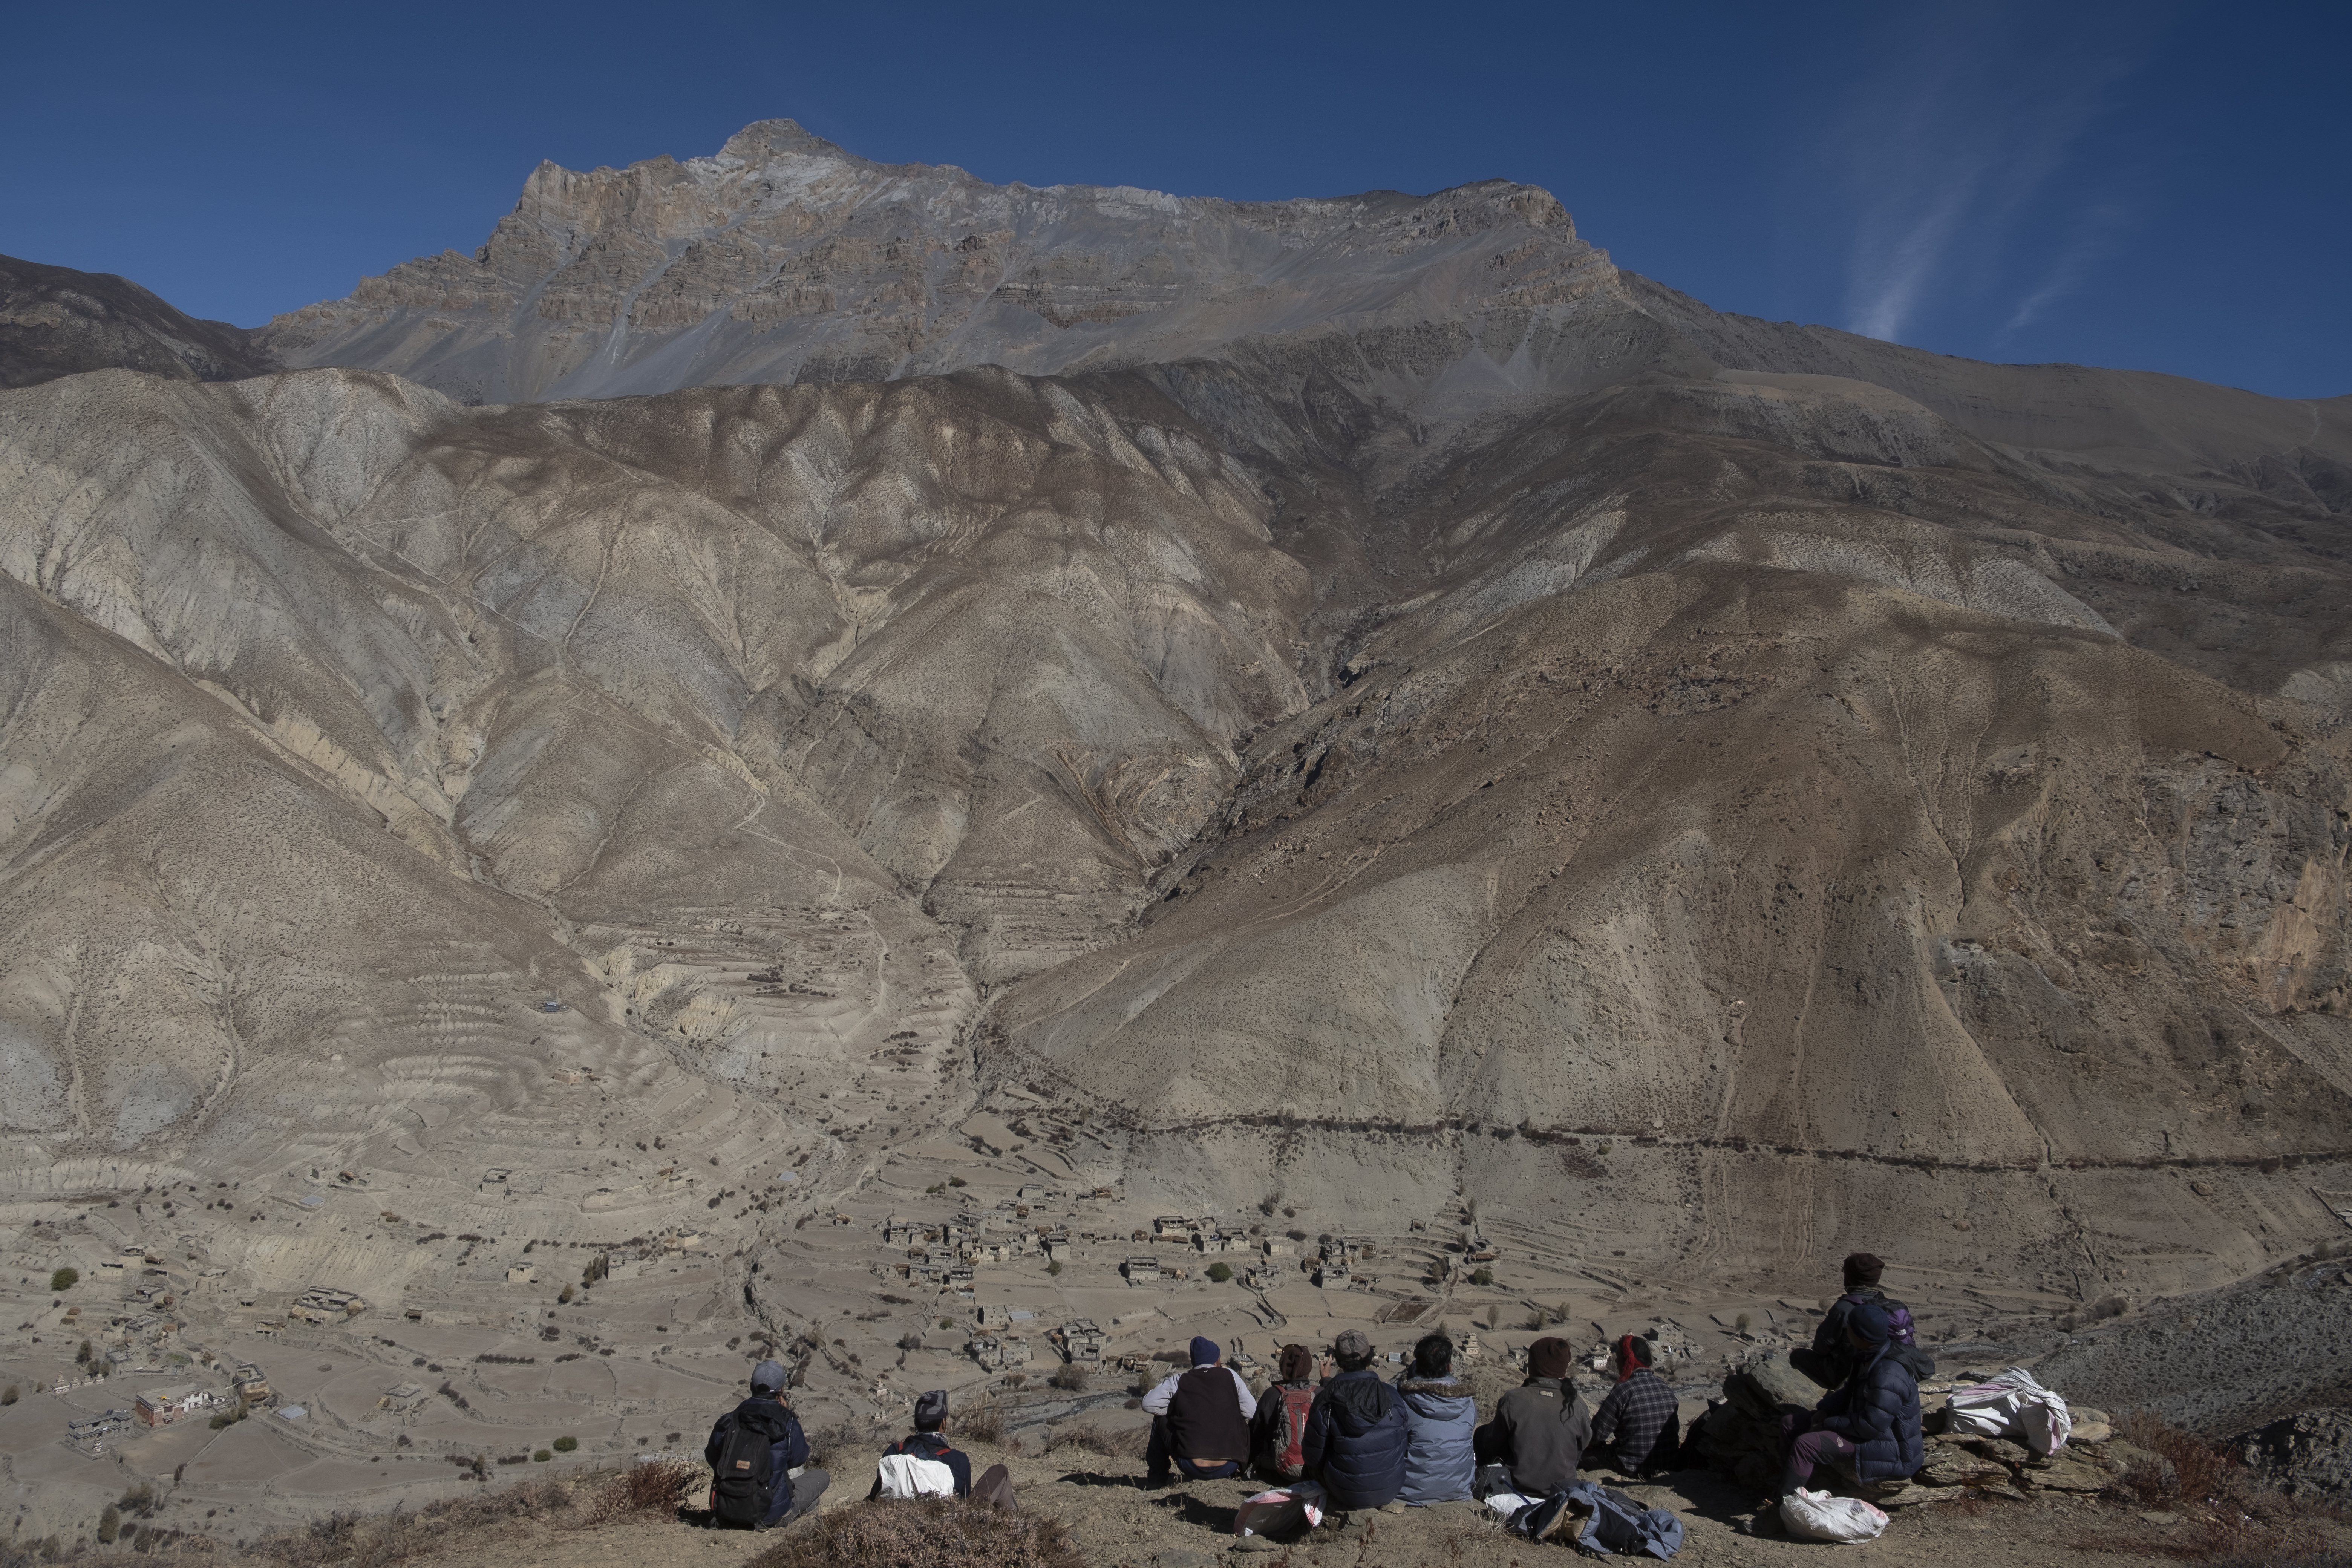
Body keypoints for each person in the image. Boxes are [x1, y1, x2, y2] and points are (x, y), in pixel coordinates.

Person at [1774, 1303, 1923, 1515]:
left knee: (1806, 1445)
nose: (1846, 1332)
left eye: (1850, 1328)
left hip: (1890, 1448)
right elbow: (1851, 1390)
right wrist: (1826, 1409)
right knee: (1789, 1424)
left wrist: (1826, 1424)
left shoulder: (1888, 1373)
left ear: (1861, 1335)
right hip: (1868, 1430)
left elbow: (1871, 1425)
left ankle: (1784, 1510)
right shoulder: (1868, 1354)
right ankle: (1795, 1492)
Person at [704, 1360, 829, 1530]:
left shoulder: (729, 1420)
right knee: (821, 1477)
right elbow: (799, 1459)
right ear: (782, 1390)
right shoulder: (787, 1423)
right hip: (768, 1513)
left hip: (727, 1509)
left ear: (751, 1386)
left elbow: (712, 1457)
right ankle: (785, 1517)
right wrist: (787, 1413)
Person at [1302, 1329, 1408, 1512]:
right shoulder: (1392, 1396)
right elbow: (1403, 1444)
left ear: (1337, 1360)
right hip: (1391, 1488)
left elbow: (1312, 1457)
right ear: (1369, 1359)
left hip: (1345, 1492)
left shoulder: (1326, 1400)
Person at [1472, 1336, 1592, 1498]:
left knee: (1481, 1434)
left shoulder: (1513, 1399)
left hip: (1516, 1488)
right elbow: (1583, 1446)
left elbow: (1493, 1445)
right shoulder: (1577, 1405)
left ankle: (1487, 1487)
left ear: (1533, 1365)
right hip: (1562, 1490)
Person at [1793, 1253, 1934, 1386]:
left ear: (1850, 1278)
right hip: (1893, 1369)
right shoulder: (1896, 1307)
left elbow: (1822, 1347)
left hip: (1853, 1374)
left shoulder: (1844, 1308)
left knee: (1798, 1356)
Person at [870, 1389, 1018, 1509]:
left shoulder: (894, 1451)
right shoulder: (958, 1460)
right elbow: (964, 1504)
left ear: (916, 1423)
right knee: (1000, 1471)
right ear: (944, 1423)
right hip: (949, 1528)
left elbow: (876, 1495)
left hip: (900, 1523)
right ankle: (1016, 1525)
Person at [1142, 1337, 1258, 1485]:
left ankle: (1157, 1480)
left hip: (1190, 1465)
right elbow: (1252, 1412)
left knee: (1160, 1418)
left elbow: (1148, 1404)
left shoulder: (1180, 1380)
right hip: (1229, 1466)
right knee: (1242, 1419)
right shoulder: (1231, 1376)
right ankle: (1243, 1473)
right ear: (1216, 1361)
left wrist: (1176, 1408)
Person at [1396, 1332, 1476, 1505]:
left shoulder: (1403, 1401)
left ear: (1417, 1366)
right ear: (1449, 1367)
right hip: (1459, 1490)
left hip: (1409, 1493)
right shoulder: (1468, 1403)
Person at [1583, 1335, 1681, 1478]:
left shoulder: (1623, 1391)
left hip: (1632, 1467)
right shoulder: (1666, 1388)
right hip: (1667, 1464)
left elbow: (1596, 1435)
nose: (1616, 1362)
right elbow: (1674, 1430)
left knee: (1582, 1454)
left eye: (1618, 1357)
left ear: (1627, 1360)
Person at [1250, 1343, 1320, 1483]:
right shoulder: (1320, 1394)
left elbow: (1254, 1436)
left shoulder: (1271, 1395)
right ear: (1308, 1369)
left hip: (1279, 1474)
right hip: (1315, 1475)